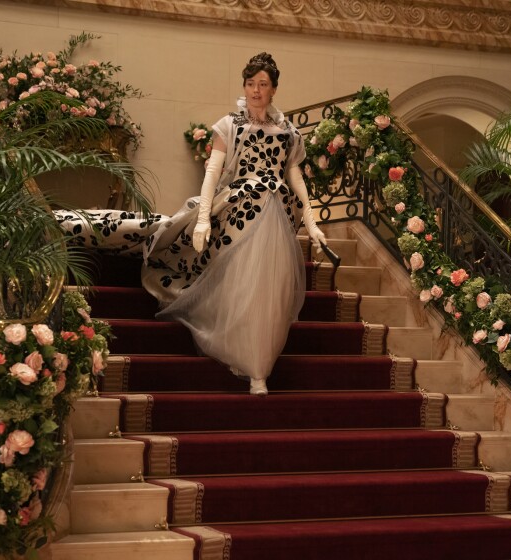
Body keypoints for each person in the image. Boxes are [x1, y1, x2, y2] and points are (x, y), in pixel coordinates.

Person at [56, 52, 326, 396]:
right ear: (244, 86)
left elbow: (295, 174)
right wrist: (201, 220)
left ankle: (260, 367)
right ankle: (245, 358)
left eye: (263, 84)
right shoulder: (230, 124)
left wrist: (312, 220)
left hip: (276, 215)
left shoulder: (288, 131)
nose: (256, 90)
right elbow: (213, 170)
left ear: (274, 89)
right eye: (250, 83)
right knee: (240, 286)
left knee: (268, 293)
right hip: (238, 210)